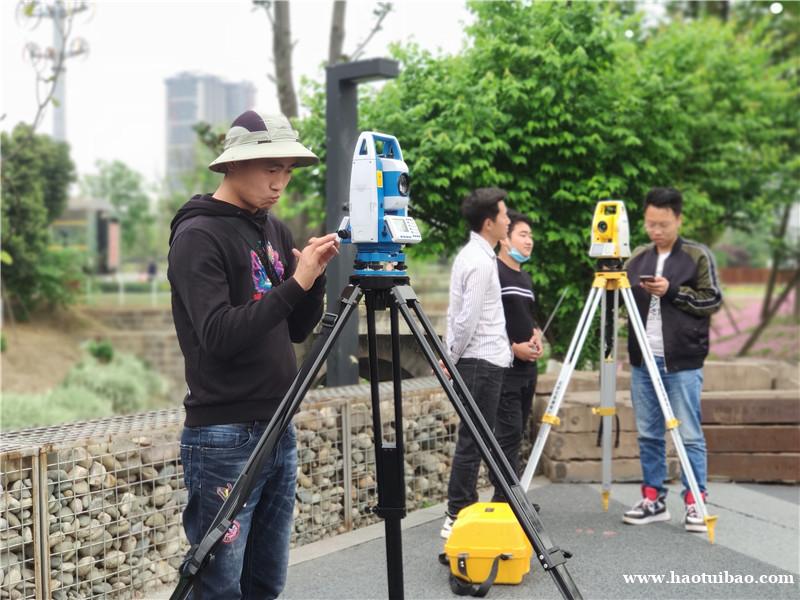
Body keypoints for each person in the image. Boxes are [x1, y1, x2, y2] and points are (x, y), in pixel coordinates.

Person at [168, 110, 339, 599]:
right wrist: (297, 281)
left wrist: (314, 277)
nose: (280, 181)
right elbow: (218, 334)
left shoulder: (273, 230)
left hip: (278, 424)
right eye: (270, 167)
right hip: (224, 435)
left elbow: (296, 328)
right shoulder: (198, 235)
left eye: (286, 170)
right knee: (219, 583)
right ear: (233, 166)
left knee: (266, 581)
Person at [622, 187, 722, 533]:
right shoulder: (637, 257)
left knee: (689, 434)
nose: (656, 231)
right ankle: (653, 498)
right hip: (642, 360)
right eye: (650, 224)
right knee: (649, 433)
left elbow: (712, 300)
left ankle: (695, 501)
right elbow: (622, 302)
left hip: (682, 361)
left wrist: (673, 291)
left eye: (663, 224)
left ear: (678, 219)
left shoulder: (696, 256)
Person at [441, 187, 512, 539]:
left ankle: (460, 508)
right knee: (475, 438)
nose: (509, 220)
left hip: (481, 361)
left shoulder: (475, 255)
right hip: (479, 362)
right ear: (489, 223)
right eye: (504, 215)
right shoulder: (480, 262)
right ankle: (457, 512)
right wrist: (451, 359)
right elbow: (466, 319)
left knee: (477, 436)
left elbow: (460, 315)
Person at [489, 210, 543, 502]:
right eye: (523, 234)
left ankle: (513, 497)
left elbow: (527, 318)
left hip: (528, 369)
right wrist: (513, 348)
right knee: (507, 435)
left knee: (519, 434)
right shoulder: (493, 272)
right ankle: (503, 500)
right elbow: (489, 322)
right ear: (505, 239)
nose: (529, 241)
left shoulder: (524, 278)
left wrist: (536, 336)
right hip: (505, 368)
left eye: (530, 236)